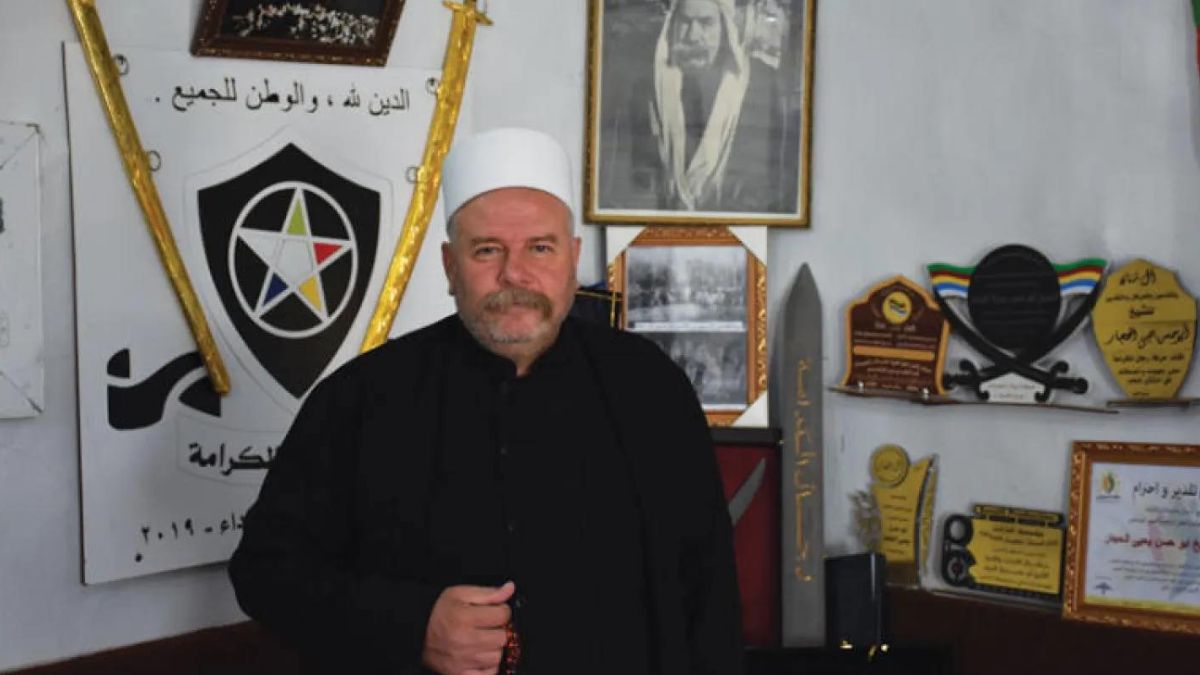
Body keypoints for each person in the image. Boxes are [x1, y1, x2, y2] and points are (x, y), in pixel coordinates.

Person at [229, 127, 744, 674]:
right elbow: (265, 572)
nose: (514, 274)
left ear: (572, 260)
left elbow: (709, 593)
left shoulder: (650, 388)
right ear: (450, 267)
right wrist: (412, 625)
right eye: (487, 250)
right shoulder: (359, 399)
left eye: (540, 248)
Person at [599, 0, 798, 214]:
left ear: (724, 28)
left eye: (706, 23)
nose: (693, 36)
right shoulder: (646, 87)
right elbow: (629, 182)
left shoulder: (760, 83)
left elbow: (773, 183)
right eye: (685, 22)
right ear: (672, 26)